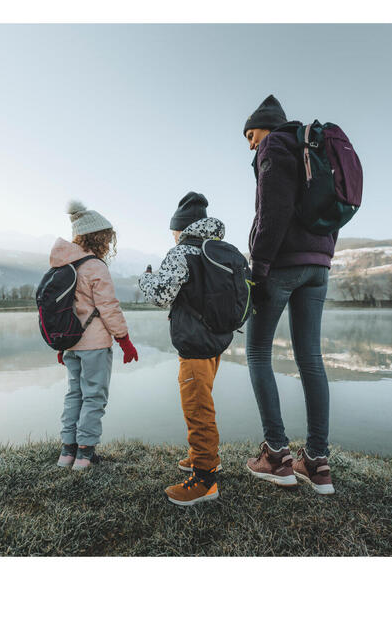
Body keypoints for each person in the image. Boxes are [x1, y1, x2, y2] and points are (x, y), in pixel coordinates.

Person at [243, 95, 336, 494]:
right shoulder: (309, 147)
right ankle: (317, 463)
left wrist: (258, 270)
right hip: (319, 265)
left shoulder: (275, 146)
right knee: (311, 359)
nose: (250, 144)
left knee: (257, 352)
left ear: (266, 126)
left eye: (251, 134)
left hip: (282, 265)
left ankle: (277, 456)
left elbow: (273, 211)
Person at [138, 192, 229, 506]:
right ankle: (203, 457)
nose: (173, 235)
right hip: (217, 339)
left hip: (194, 343)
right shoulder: (216, 250)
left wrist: (146, 279)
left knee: (197, 408)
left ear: (182, 227)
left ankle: (204, 480)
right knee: (202, 399)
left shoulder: (182, 252)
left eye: (173, 229)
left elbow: (162, 296)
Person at [52, 200, 138, 470]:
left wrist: (59, 343)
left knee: (74, 394)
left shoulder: (63, 264)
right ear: (99, 237)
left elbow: (58, 307)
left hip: (70, 342)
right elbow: (109, 308)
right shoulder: (95, 266)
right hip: (94, 345)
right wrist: (124, 340)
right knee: (94, 397)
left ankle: (67, 452)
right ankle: (85, 455)